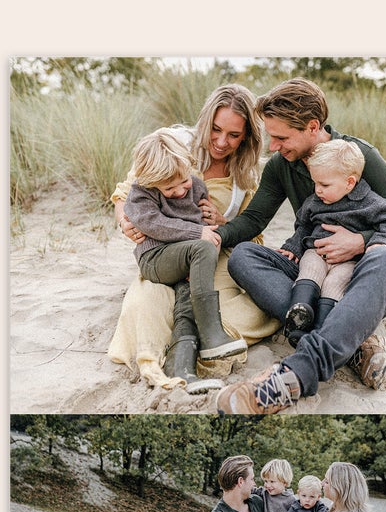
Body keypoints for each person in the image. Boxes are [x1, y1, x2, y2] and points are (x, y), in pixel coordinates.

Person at [215, 78, 386, 415]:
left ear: (312, 127)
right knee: (244, 256)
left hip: (360, 279)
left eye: (282, 137)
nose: (273, 146)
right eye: (271, 136)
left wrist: (360, 242)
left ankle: (296, 374)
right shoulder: (281, 166)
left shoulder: (359, 156)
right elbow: (255, 220)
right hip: (311, 272)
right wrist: (215, 235)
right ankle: (352, 341)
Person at [108, 85, 279, 394]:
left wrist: (224, 222)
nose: (221, 142)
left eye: (233, 135)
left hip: (214, 259)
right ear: (204, 122)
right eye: (215, 129)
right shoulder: (171, 146)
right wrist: (125, 220)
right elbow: (126, 193)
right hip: (164, 255)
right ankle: (171, 356)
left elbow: (253, 232)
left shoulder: (247, 175)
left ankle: (194, 350)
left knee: (258, 309)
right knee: (145, 306)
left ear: (247, 137)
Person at [122, 128, 247, 362]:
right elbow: (153, 223)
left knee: (186, 300)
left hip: (185, 258)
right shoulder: (141, 192)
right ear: (151, 182)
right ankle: (211, 333)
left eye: (184, 182)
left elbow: (203, 226)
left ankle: (180, 361)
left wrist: (207, 238)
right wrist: (197, 233)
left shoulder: (198, 187)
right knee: (203, 245)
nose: (179, 191)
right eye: (169, 189)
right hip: (155, 258)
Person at [278, 139, 386, 347]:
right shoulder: (315, 202)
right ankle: (300, 311)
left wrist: (379, 241)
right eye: (315, 183)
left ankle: (321, 328)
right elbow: (303, 227)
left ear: (349, 182)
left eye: (324, 185)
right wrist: (292, 247)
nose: (317, 190)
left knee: (335, 282)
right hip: (316, 252)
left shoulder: (369, 203)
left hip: (347, 261)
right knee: (309, 268)